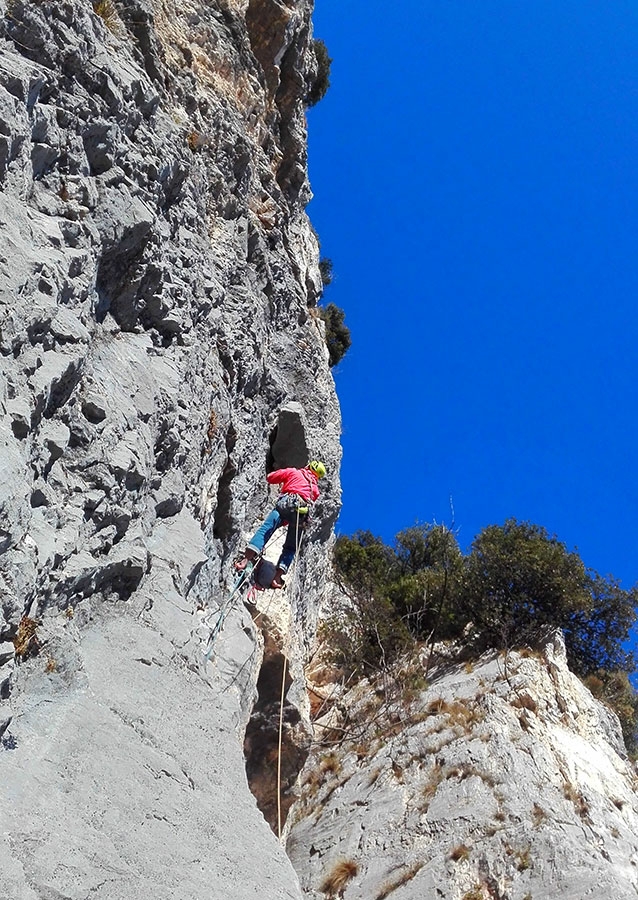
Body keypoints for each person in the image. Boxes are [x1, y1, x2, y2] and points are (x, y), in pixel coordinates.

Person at [234, 460, 327, 589]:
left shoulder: (294, 472)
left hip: (285, 504)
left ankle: (245, 561)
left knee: (265, 530)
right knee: (290, 547)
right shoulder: (315, 490)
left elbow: (270, 478)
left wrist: (284, 483)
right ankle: (277, 578)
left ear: (308, 466)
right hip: (301, 515)